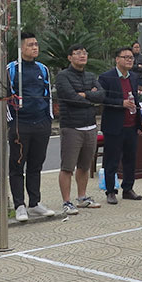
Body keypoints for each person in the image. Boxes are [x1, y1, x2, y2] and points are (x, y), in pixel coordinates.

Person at [6, 31, 56, 222]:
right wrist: (12, 122)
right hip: (20, 124)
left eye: (36, 44)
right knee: (17, 165)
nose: (35, 48)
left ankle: (35, 203)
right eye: (30, 45)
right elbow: (6, 96)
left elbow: (48, 95)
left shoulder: (42, 69)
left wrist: (48, 119)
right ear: (21, 48)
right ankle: (20, 205)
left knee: (36, 165)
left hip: (41, 123)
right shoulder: (11, 69)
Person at [54, 44, 105, 216]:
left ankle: (82, 198)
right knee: (67, 167)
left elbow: (101, 95)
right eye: (77, 53)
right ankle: (67, 202)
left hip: (90, 125)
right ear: (70, 57)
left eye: (84, 53)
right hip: (71, 127)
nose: (82, 56)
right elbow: (71, 98)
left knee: (84, 165)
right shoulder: (63, 76)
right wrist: (89, 96)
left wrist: (85, 95)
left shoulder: (90, 76)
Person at [99, 46, 142, 204]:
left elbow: (136, 102)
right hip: (114, 125)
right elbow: (102, 99)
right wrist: (121, 103)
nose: (129, 60)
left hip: (131, 125)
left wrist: (141, 122)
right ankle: (110, 191)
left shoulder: (133, 77)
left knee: (130, 159)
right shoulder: (107, 78)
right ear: (117, 59)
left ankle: (128, 189)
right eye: (125, 57)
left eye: (131, 57)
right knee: (112, 160)